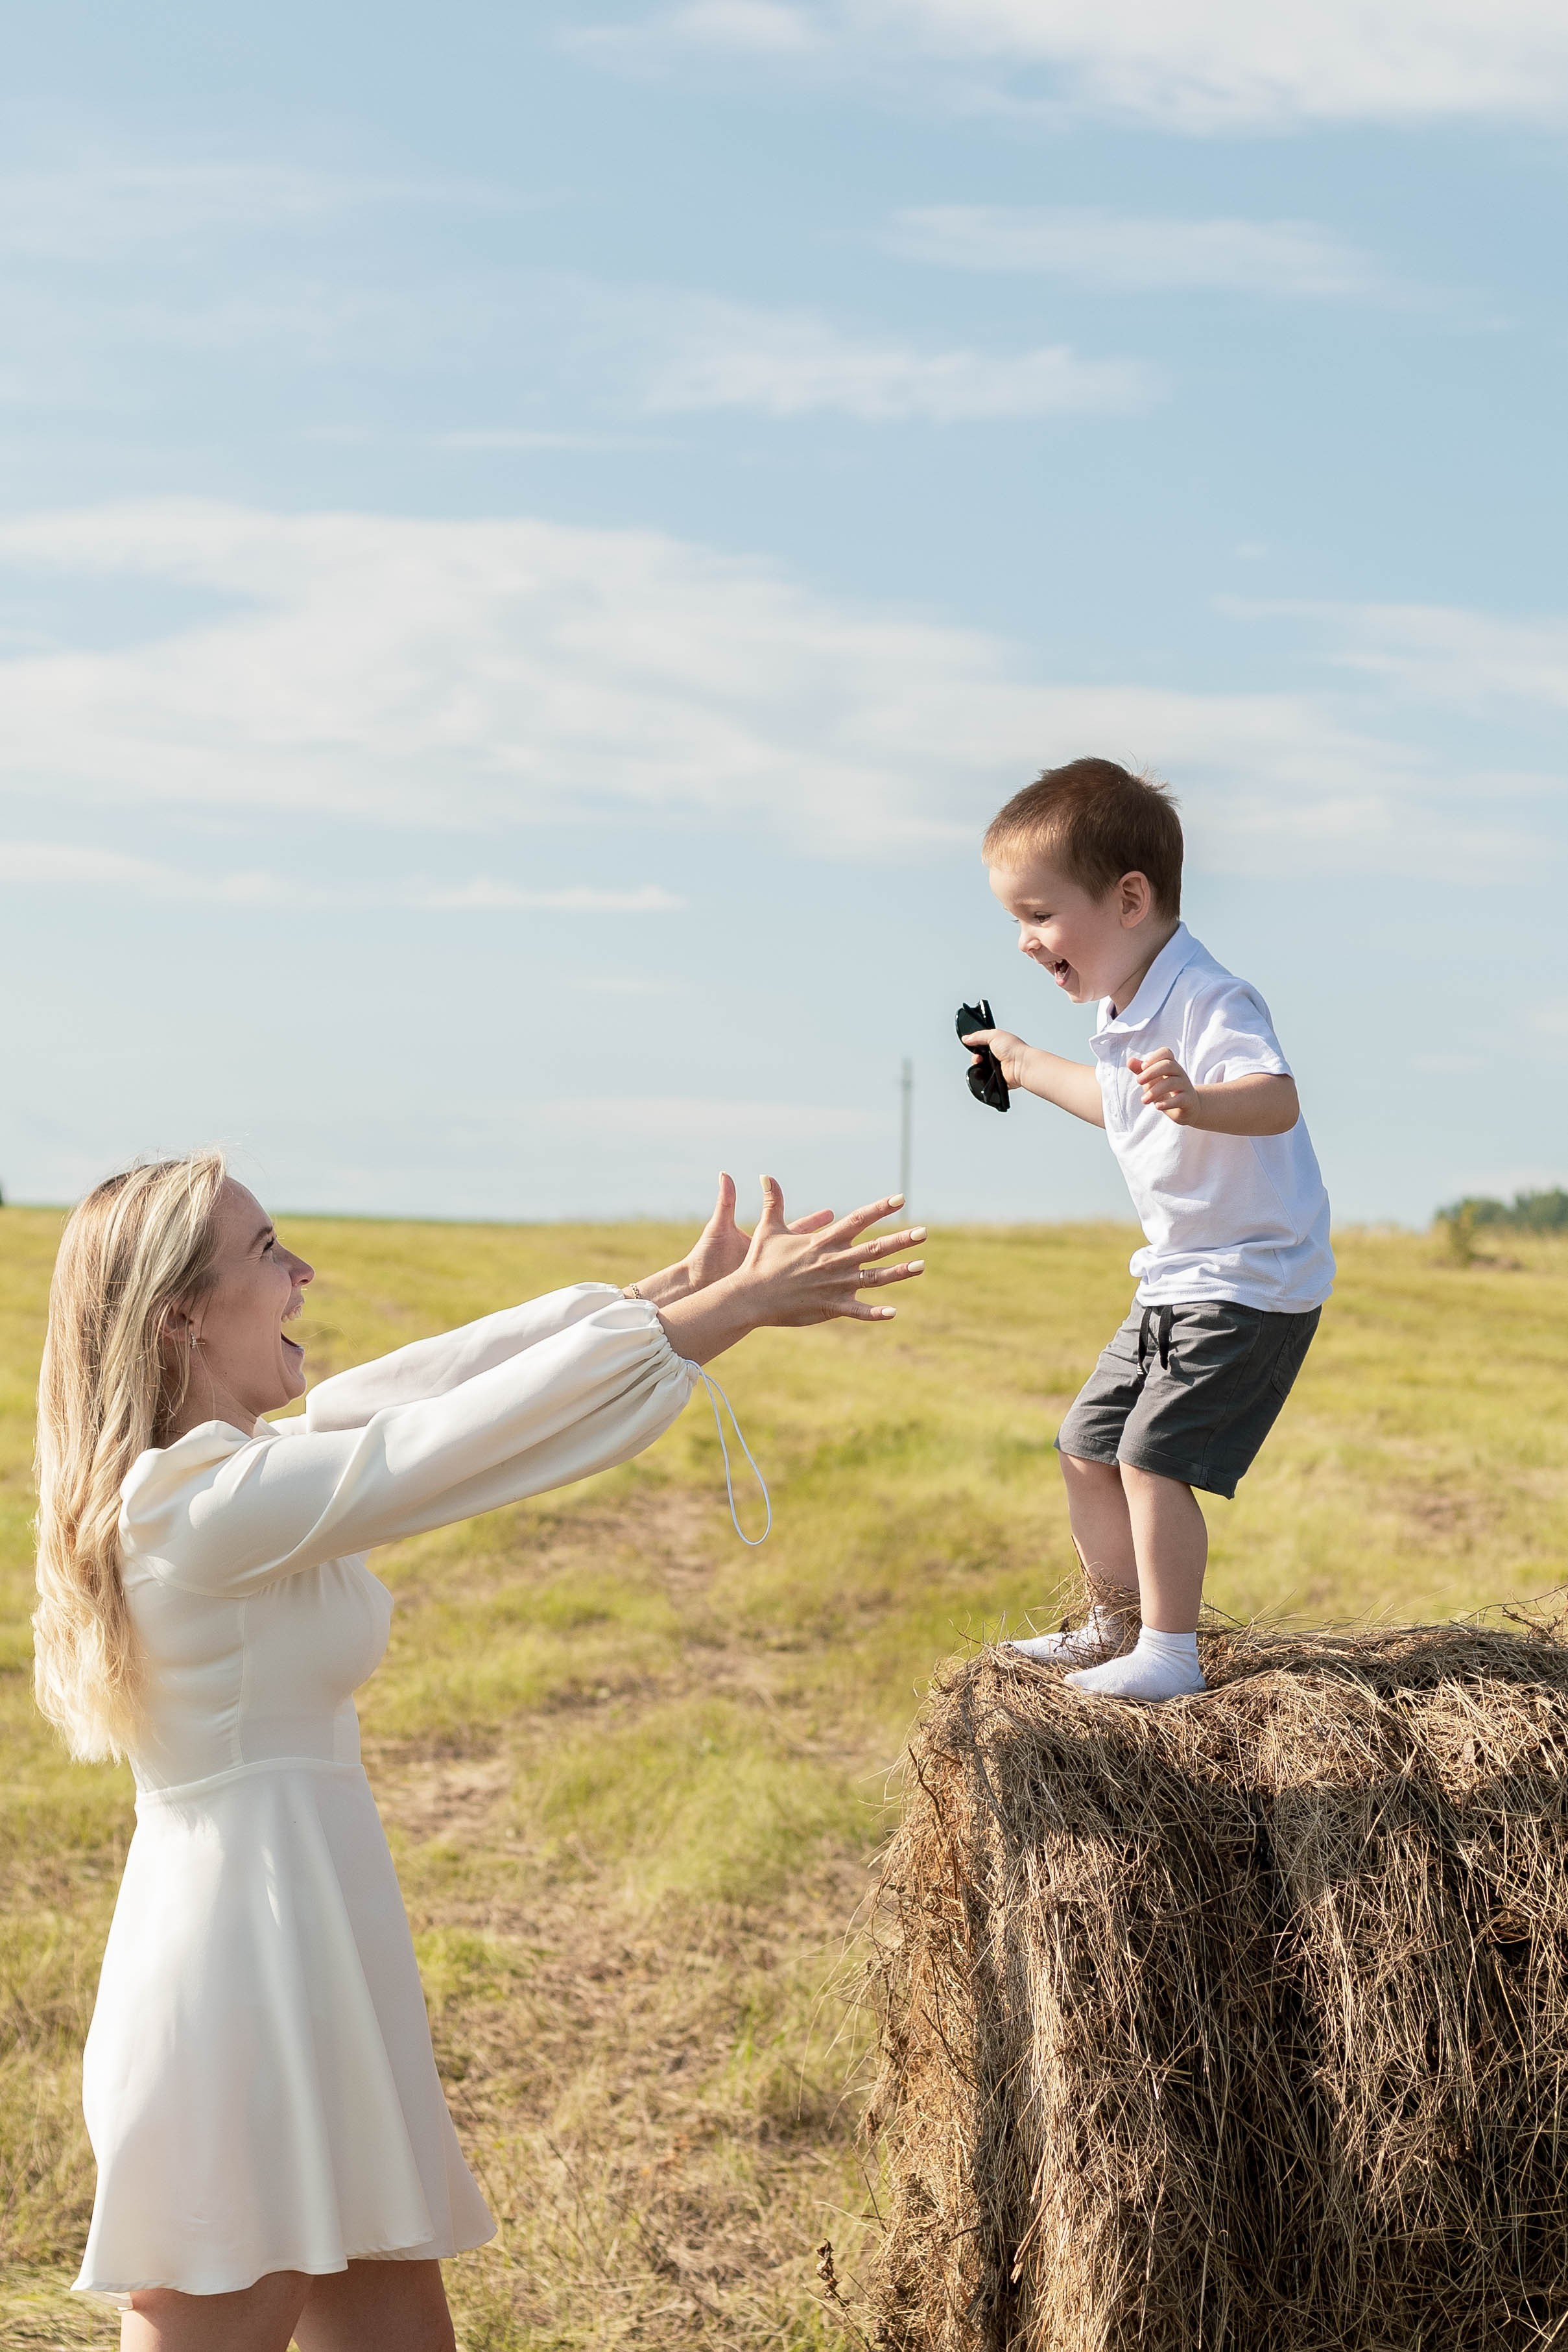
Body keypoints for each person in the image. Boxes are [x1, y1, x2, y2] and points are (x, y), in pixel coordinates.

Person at [32, 1152, 924, 2352]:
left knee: (397, 2326)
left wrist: (655, 1306)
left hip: (312, 1945)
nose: (303, 1273)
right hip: (241, 1976)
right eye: (266, 1253)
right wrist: (727, 1314)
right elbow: (442, 1444)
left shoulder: (236, 1478)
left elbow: (406, 1396)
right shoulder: (187, 1509)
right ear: (179, 1315)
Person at [963, 758, 1332, 1703]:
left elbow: (1274, 1098)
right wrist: (1020, 1061)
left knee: (1148, 1458)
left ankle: (1169, 1654)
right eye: (1015, 920)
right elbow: (1114, 1104)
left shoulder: (1209, 998)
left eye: (1039, 916)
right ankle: (1112, 1628)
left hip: (1250, 1280)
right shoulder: (1120, 1009)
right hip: (1174, 1276)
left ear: (1129, 899)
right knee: (1084, 1448)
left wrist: (1200, 1100)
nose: (1023, 940)